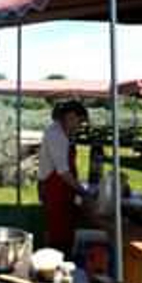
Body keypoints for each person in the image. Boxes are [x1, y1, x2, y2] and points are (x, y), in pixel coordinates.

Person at [38, 100, 89, 255]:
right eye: (79, 122)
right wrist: (83, 191)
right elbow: (63, 171)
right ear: (71, 116)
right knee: (56, 231)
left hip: (63, 189)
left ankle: (60, 256)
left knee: (62, 228)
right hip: (54, 188)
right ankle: (52, 259)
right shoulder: (56, 135)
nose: (79, 126)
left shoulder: (63, 132)